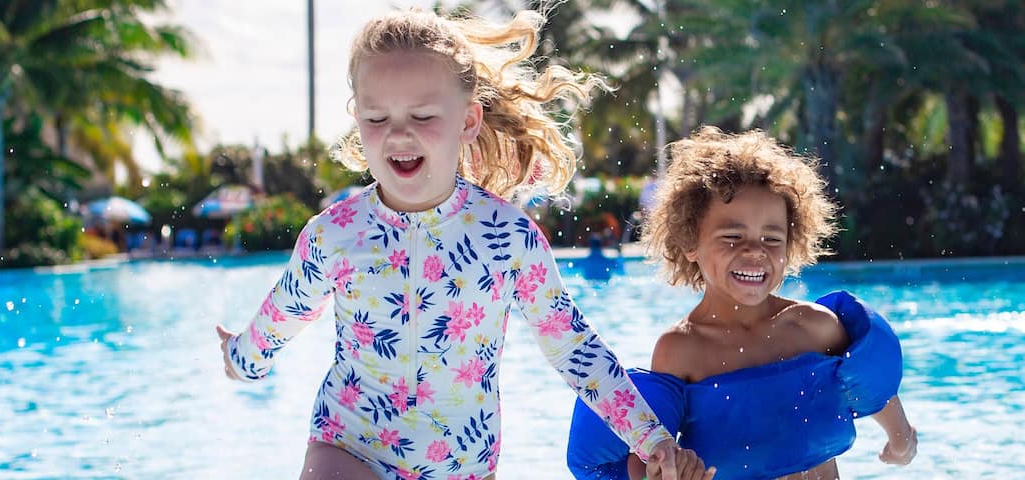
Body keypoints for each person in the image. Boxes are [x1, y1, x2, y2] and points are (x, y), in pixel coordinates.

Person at [213, 8, 708, 480]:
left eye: (423, 115)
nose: (398, 134)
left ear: (468, 121)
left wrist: (652, 440)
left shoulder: (506, 238)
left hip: (459, 463)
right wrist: (243, 358)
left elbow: (572, 346)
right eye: (376, 118)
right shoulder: (335, 232)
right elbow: (286, 310)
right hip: (349, 443)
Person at [567, 128, 917, 479]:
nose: (754, 250)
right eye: (732, 236)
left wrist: (900, 439)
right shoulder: (683, 350)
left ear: (791, 244)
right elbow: (654, 449)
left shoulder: (814, 327)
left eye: (772, 238)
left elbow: (871, 383)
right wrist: (659, 469)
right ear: (690, 243)